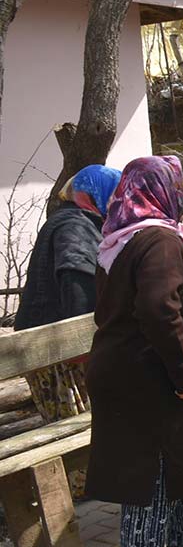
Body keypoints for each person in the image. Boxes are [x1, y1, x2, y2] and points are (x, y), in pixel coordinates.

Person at [86, 156, 183, 547]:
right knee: (149, 481)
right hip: (153, 382)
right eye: (176, 186)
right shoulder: (158, 242)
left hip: (140, 374)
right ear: (160, 192)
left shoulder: (122, 238)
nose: (182, 196)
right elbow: (157, 308)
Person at [14, 165, 120, 423]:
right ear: (94, 193)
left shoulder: (74, 221)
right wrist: (86, 347)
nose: (118, 203)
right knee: (82, 424)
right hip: (59, 350)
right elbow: (77, 283)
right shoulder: (75, 226)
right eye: (113, 194)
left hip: (54, 346)